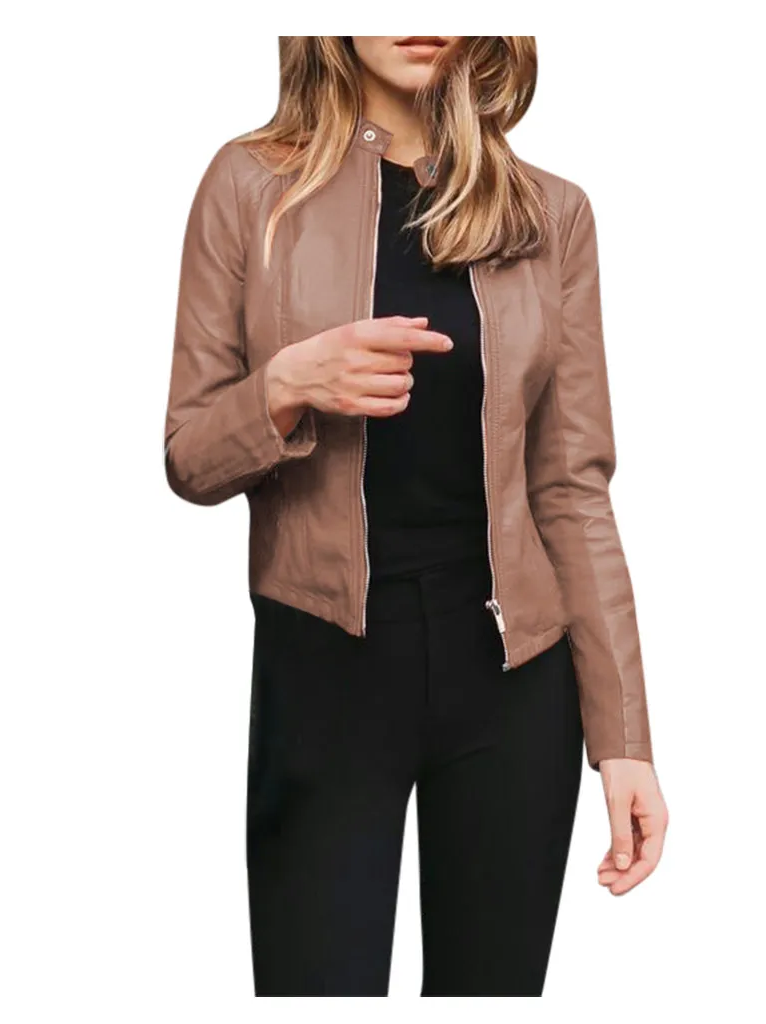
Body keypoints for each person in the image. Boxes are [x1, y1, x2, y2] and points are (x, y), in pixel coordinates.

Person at [163, 35, 668, 997]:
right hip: (325, 674)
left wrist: (625, 740)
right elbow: (190, 456)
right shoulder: (250, 186)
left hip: (515, 685)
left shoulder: (550, 213)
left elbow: (572, 488)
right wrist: (284, 388)